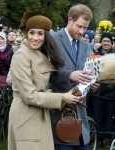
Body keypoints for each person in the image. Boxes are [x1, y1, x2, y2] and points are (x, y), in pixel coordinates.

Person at [8, 11, 81, 150]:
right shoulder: (21, 56)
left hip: (39, 115)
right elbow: (29, 95)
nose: (35, 38)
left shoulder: (42, 54)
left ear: (46, 35)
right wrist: (62, 98)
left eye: (40, 33)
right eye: (31, 33)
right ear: (27, 34)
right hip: (26, 116)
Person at [50, 4, 99, 150]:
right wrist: (70, 75)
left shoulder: (86, 45)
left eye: (85, 28)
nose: (82, 31)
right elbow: (44, 74)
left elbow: (87, 73)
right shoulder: (52, 39)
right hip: (58, 116)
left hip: (81, 118)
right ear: (70, 20)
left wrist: (92, 83)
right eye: (79, 26)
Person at [90, 33, 115, 146]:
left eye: (108, 41)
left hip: (111, 93)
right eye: (104, 41)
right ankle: (98, 138)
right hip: (97, 93)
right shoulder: (94, 55)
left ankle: (107, 138)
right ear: (101, 42)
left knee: (108, 117)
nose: (106, 43)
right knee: (98, 116)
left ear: (111, 43)